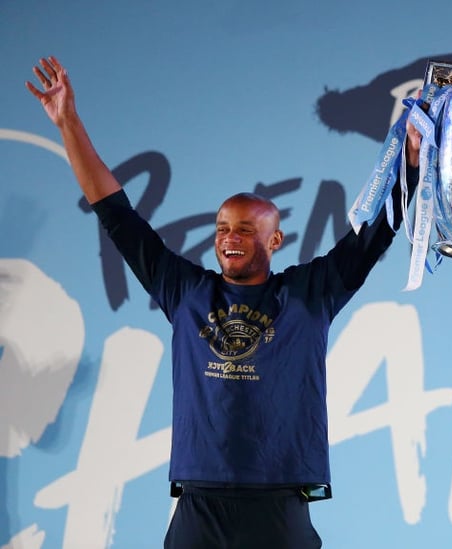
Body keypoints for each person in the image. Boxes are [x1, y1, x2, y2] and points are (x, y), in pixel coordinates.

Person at [27, 56, 420, 548]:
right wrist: (69, 123)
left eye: (246, 229)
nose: (230, 238)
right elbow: (116, 215)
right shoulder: (186, 291)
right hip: (198, 505)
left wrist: (409, 164)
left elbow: (373, 236)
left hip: (281, 503)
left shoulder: (308, 295)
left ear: (275, 240)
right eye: (222, 229)